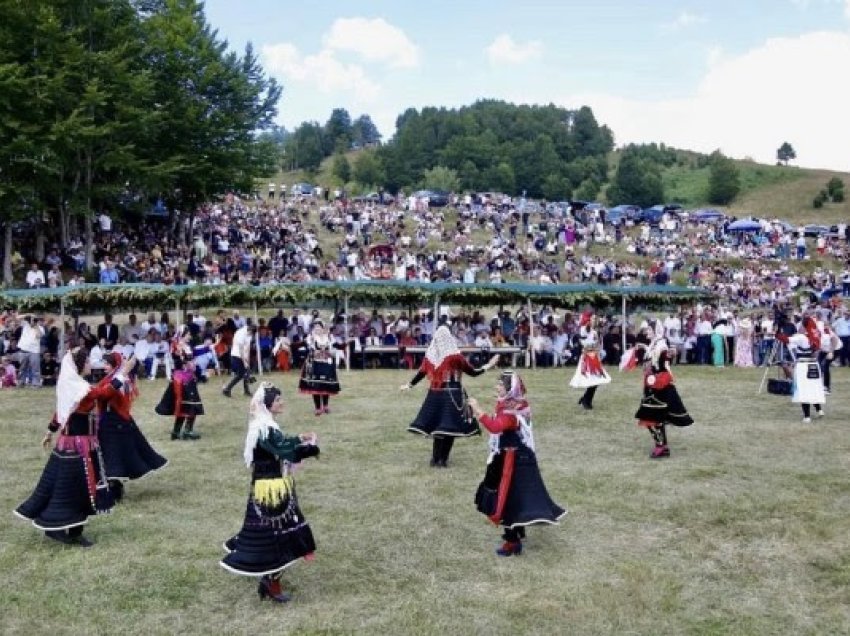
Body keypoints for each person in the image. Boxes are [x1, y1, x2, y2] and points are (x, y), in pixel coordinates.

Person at [14, 349, 134, 547]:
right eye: (86, 361)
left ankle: (74, 530)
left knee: (75, 486)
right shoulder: (80, 389)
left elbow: (59, 413)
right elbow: (103, 393)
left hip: (73, 444)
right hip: (79, 445)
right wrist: (123, 373)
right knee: (79, 487)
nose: (89, 364)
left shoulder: (73, 386)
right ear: (78, 366)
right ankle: (66, 529)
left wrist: (50, 432)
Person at [220, 383, 320, 603]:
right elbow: (285, 451)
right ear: (267, 405)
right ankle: (271, 583)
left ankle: (271, 581)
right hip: (270, 489)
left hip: (266, 485)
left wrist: (299, 437)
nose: (281, 402)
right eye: (277, 401)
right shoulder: (265, 428)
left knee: (274, 533)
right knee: (278, 534)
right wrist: (310, 448)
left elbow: (281, 444)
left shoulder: (263, 425)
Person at [467, 371, 566, 556]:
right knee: (517, 496)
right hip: (522, 456)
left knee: (505, 500)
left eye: (501, 385)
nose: (497, 387)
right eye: (497, 384)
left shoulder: (510, 410)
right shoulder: (519, 403)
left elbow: (496, 426)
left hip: (510, 460)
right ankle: (519, 530)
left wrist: (477, 409)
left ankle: (512, 543)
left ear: (510, 388)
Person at [400, 325, 498, 468]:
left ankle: (435, 459)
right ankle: (442, 460)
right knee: (449, 427)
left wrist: (409, 385)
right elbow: (473, 372)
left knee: (438, 426)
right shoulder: (455, 357)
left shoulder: (431, 356)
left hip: (435, 394)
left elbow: (421, 373)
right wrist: (488, 365)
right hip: (453, 394)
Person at [96, 353, 168, 500]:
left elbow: (107, 395)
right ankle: (114, 487)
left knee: (114, 456)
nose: (104, 367)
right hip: (111, 422)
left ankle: (115, 489)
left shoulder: (120, 381)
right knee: (112, 456)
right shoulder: (113, 379)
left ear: (115, 365)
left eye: (107, 364)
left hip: (115, 424)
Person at [634, 338, 694, 459]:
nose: (648, 333)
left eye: (651, 331)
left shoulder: (662, 349)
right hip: (653, 388)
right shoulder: (653, 348)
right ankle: (662, 446)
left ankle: (661, 446)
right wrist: (643, 346)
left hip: (660, 388)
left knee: (652, 418)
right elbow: (650, 353)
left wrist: (670, 352)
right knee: (655, 419)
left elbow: (665, 355)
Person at [784, 317, 826, 422]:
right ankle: (819, 410)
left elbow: (786, 340)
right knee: (814, 387)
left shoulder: (801, 337)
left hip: (803, 365)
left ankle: (807, 416)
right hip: (814, 364)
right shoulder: (817, 336)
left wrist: (778, 332)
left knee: (804, 389)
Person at [298, 321, 342, 415]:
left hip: (327, 363)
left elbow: (336, 347)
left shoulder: (329, 338)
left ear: (322, 328)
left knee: (326, 384)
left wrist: (333, 351)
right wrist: (313, 353)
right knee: (316, 385)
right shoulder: (311, 338)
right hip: (315, 363)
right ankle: (318, 407)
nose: (317, 329)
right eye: (315, 327)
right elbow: (306, 348)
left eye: (319, 327)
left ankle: (325, 406)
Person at [156, 358, 205, 440]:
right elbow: (181, 359)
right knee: (191, 405)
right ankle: (186, 431)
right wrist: (188, 363)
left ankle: (176, 432)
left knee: (185, 406)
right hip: (183, 379)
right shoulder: (179, 349)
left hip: (183, 377)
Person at [569, 342, 610, 410]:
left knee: (595, 384)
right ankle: (586, 401)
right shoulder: (584, 335)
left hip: (594, 361)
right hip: (587, 364)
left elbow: (596, 347)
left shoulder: (594, 335)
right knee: (591, 384)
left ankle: (586, 399)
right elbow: (585, 348)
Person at [222, 323, 255, 398]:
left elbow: (247, 347)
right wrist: (244, 362)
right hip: (236, 355)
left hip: (242, 354)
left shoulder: (250, 334)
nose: (251, 335)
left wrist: (248, 361)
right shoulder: (240, 333)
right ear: (249, 330)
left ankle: (246, 391)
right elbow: (241, 350)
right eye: (251, 333)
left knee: (246, 372)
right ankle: (227, 389)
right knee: (240, 374)